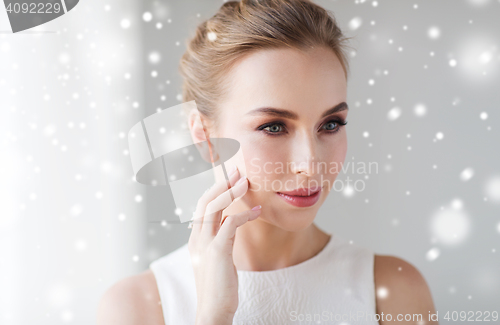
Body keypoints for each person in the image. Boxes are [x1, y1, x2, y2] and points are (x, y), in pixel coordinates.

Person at [97, 0, 439, 324]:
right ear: (204, 135)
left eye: (330, 124)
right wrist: (213, 316)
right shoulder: (137, 307)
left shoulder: (394, 292)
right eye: (273, 127)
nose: (310, 164)